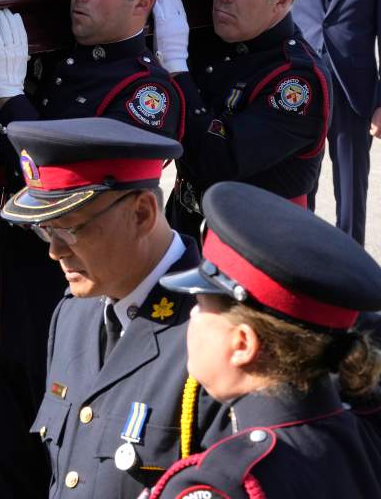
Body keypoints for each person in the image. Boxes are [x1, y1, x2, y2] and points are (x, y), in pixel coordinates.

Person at [0, 0, 183, 498]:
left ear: (142, 3)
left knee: (59, 455)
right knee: (3, 447)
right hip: (8, 280)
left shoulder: (145, 94)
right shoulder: (55, 60)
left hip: (73, 288)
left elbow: (87, 194)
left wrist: (13, 103)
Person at [4, 117, 225, 499]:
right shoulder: (73, 314)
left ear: (141, 214)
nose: (54, 251)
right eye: (45, 230)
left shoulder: (215, 332)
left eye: (70, 229)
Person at [146, 181, 381, 499]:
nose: (192, 317)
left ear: (242, 344)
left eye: (201, 307)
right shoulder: (360, 436)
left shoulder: (227, 483)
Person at [154, 0, 330, 235]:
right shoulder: (212, 39)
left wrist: (176, 68)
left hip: (254, 247)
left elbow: (218, 162)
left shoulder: (297, 81)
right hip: (184, 225)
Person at [293, 0, 381, 244]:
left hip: (354, 95)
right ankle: (306, 265)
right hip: (303, 93)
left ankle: (352, 274)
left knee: (351, 191)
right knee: (301, 188)